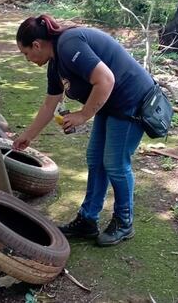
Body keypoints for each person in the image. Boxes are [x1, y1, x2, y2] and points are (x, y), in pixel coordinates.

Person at [12, 14, 155, 247]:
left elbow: (106, 80)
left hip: (132, 100)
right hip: (110, 103)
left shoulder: (68, 45)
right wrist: (27, 136)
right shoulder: (55, 62)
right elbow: (50, 104)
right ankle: (88, 220)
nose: (27, 59)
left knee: (115, 163)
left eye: (26, 53)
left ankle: (124, 221)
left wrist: (83, 115)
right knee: (95, 159)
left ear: (36, 45)